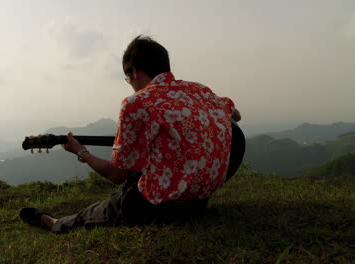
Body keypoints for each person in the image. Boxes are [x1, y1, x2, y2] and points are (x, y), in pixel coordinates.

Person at [20, 35, 242, 232]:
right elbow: (236, 116)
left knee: (104, 209)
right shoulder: (201, 90)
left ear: (134, 72)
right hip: (200, 201)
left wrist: (82, 153)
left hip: (160, 207)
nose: (131, 85)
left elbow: (117, 175)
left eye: (128, 79)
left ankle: (52, 222)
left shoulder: (137, 103)